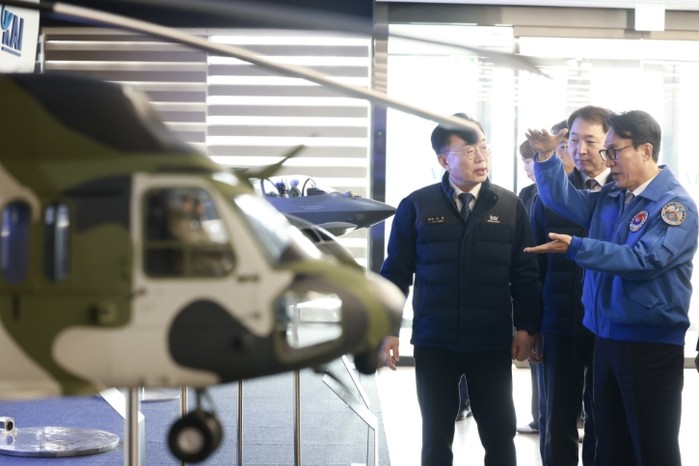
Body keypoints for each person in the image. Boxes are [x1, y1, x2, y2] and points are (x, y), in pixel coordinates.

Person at [525, 110, 698, 466]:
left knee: (651, 448)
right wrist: (546, 158)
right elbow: (562, 200)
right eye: (607, 152)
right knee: (610, 443)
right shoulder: (614, 196)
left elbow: (645, 260)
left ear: (646, 151)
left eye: (614, 151)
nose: (608, 161)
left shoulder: (675, 207)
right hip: (605, 336)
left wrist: (577, 247)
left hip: (649, 344)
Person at [381, 113, 541, 466]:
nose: (481, 158)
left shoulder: (509, 205)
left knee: (500, 433)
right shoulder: (417, 205)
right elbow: (395, 274)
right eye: (469, 151)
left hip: (490, 340)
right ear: (444, 160)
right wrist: (388, 329)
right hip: (435, 340)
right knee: (436, 434)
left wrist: (526, 327)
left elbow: (525, 273)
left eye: (484, 148)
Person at [530, 105, 613, 466]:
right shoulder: (549, 196)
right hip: (560, 322)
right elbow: (532, 266)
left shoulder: (624, 194)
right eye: (573, 141)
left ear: (610, 141)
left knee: (603, 415)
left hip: (607, 325)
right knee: (556, 417)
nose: (580, 150)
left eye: (590, 141)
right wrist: (531, 325)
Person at [515, 139, 540, 436]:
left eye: (532, 159)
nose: (528, 166)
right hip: (532, 279)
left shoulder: (568, 193)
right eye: (524, 160)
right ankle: (538, 417)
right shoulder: (525, 194)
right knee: (536, 359)